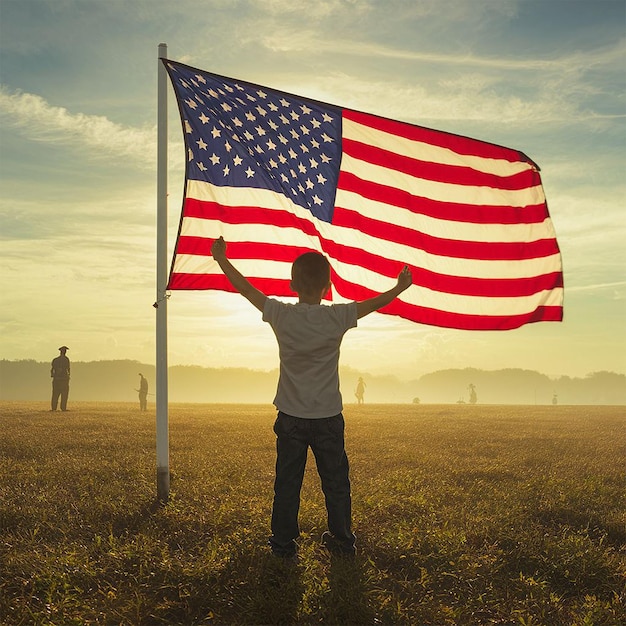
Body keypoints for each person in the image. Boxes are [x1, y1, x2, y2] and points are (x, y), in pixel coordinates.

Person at [211, 236, 412, 558]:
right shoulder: (337, 317)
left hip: (290, 417)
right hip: (328, 417)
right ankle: (343, 540)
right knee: (336, 483)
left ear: (292, 284)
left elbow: (247, 290)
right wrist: (399, 288)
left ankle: (283, 544)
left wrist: (221, 259)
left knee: (287, 483)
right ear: (328, 285)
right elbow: (374, 304)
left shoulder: (280, 314)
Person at [50, 346, 71, 411]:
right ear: (64, 352)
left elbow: (52, 370)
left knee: (55, 394)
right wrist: (68, 376)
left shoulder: (55, 360)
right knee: (64, 395)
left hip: (56, 380)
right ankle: (63, 408)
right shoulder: (66, 360)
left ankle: (54, 408)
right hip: (64, 380)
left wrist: (53, 375)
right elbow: (68, 369)